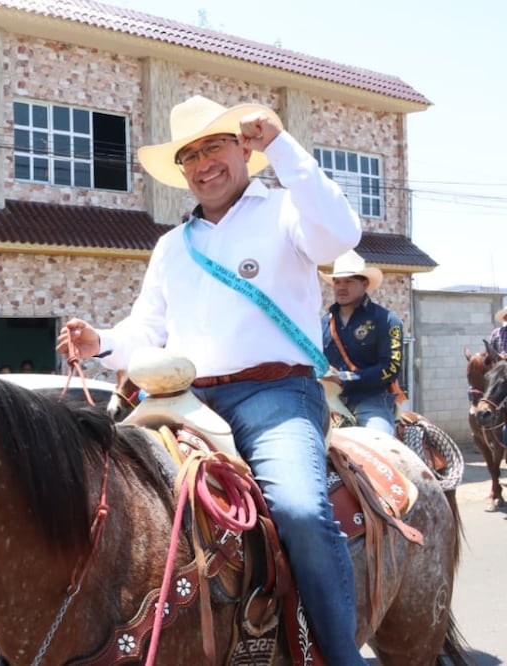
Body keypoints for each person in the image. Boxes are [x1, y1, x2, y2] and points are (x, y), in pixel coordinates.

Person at [57, 95, 364, 664]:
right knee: (107, 499)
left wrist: (281, 143)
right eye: (189, 155)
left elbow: (341, 233)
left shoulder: (285, 211)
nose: (203, 164)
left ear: (243, 149)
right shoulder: (173, 246)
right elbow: (146, 327)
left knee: (298, 508)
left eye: (214, 146)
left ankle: (341, 654)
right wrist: (101, 342)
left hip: (276, 394)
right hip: (183, 399)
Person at [321, 250, 404, 435]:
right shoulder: (322, 324)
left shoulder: (387, 321)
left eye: (349, 281)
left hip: (371, 400)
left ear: (364, 284)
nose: (341, 287)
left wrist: (344, 378)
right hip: (327, 400)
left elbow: (391, 367)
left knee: (379, 443)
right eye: (337, 281)